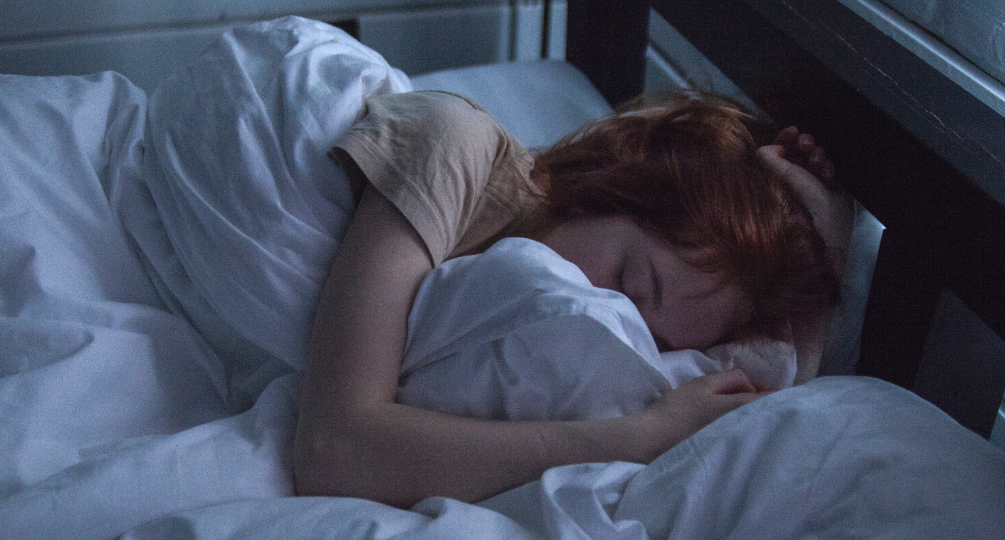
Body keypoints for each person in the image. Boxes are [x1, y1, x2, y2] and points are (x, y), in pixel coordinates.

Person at [293, 89, 854, 508]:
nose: (606, 319)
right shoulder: (452, 146)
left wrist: (825, 262)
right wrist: (637, 440)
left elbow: (767, 424)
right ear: (612, 184)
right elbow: (333, 448)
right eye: (630, 284)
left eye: (654, 341)